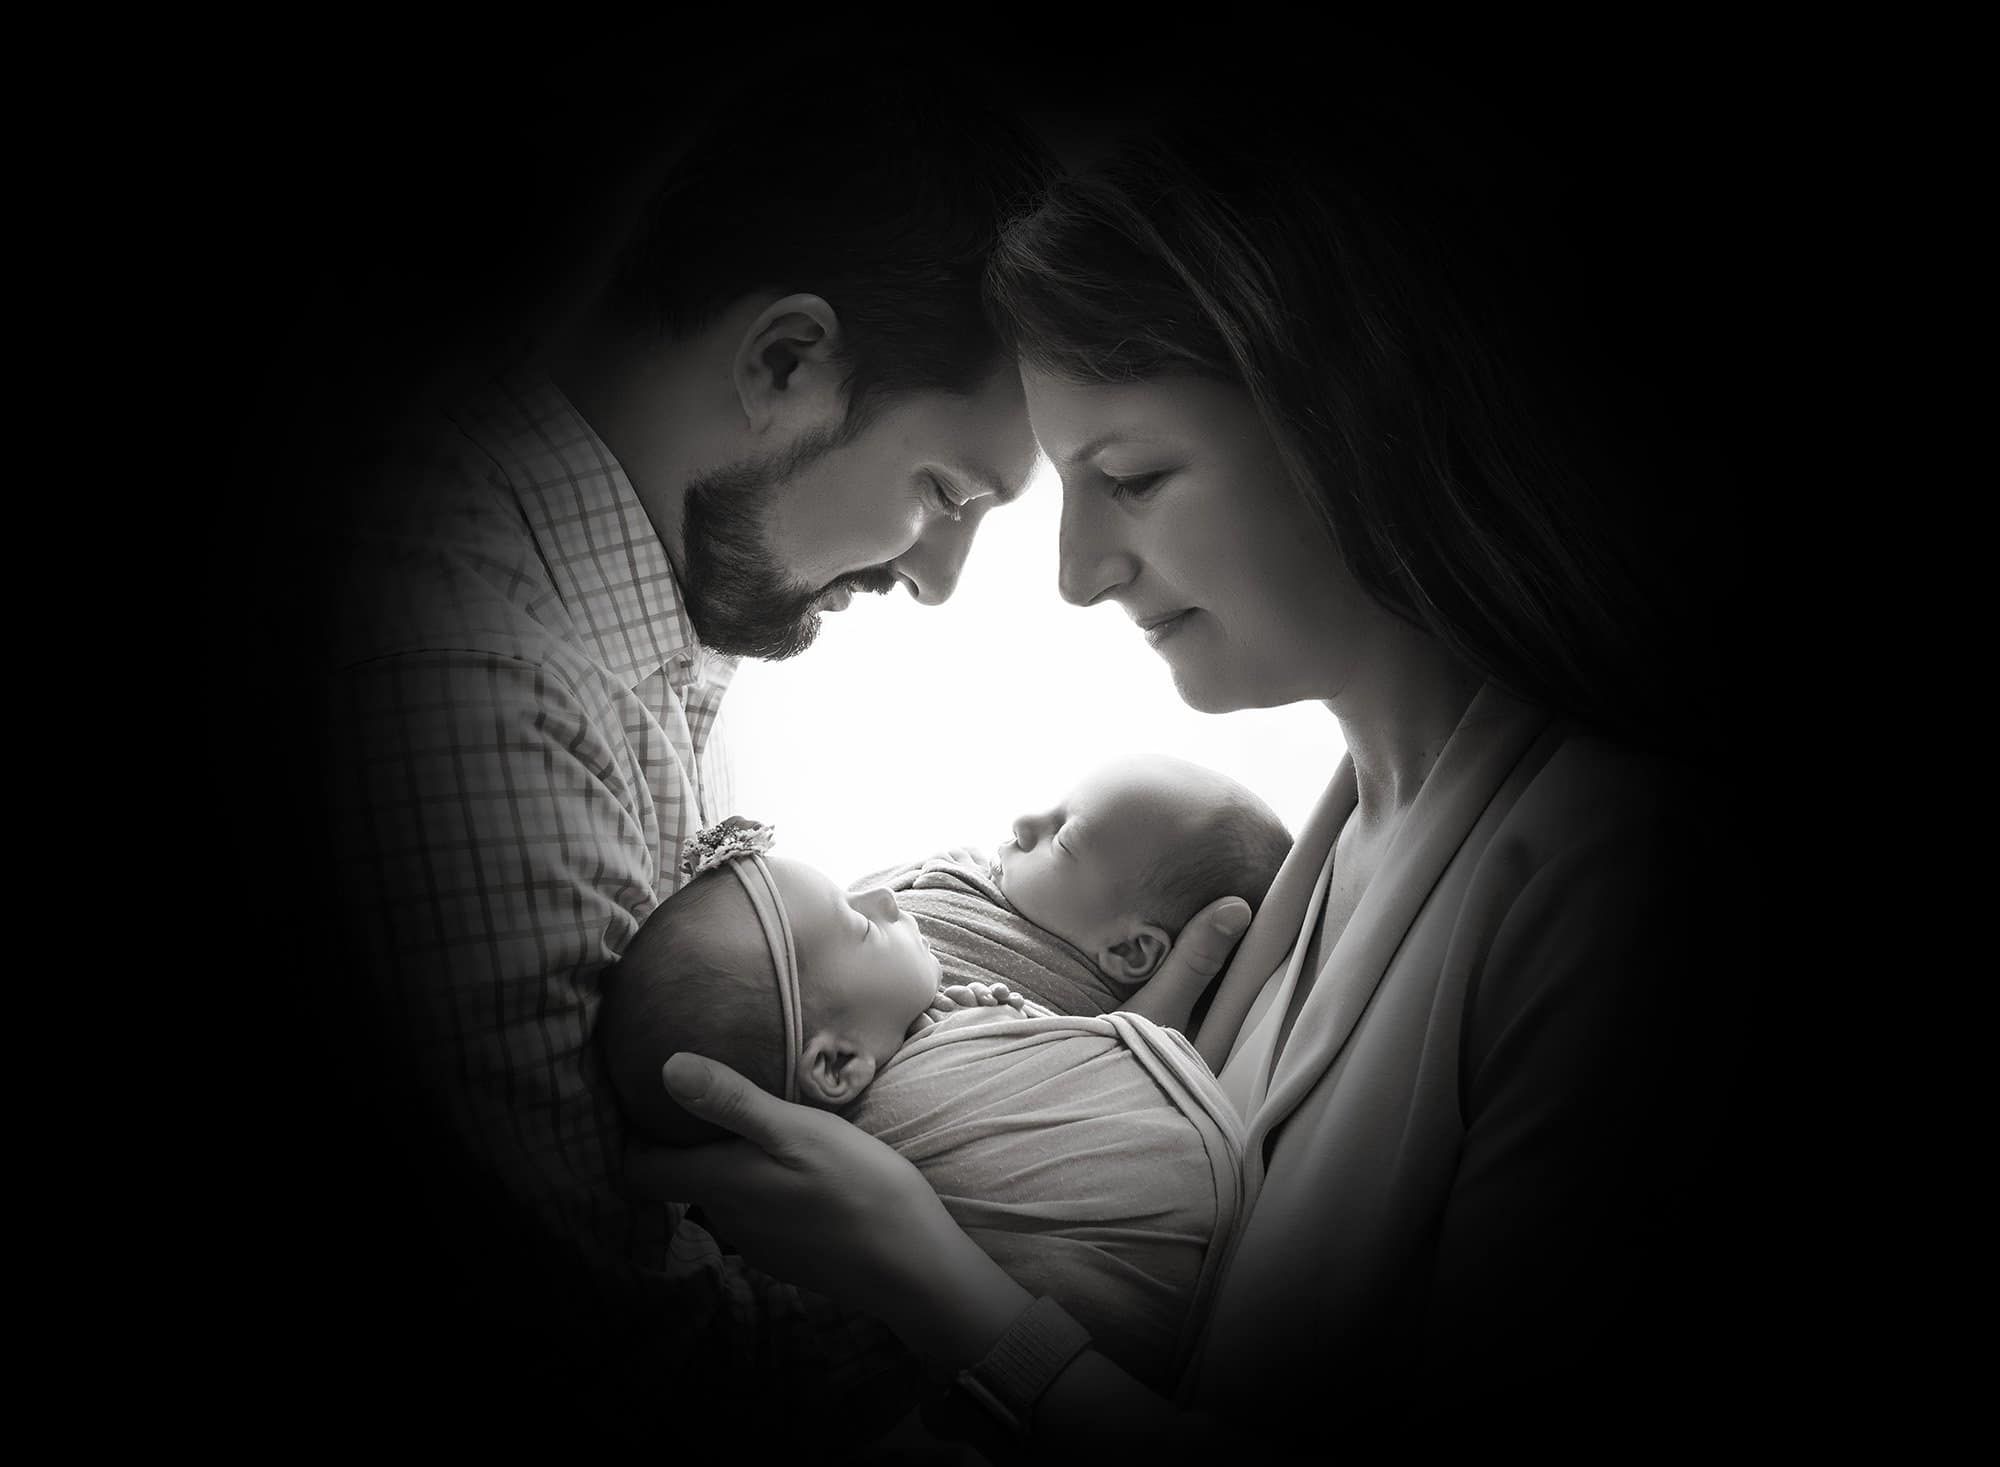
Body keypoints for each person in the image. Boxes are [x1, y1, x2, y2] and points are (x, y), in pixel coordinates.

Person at [629, 88, 1761, 1456]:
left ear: (1359, 429)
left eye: (1139, 478)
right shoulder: (1331, 846)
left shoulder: (1619, 885)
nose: (1077, 571)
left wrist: (937, 1285)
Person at [306, 78, 1258, 1447]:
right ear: (783, 362)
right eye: (947, 494)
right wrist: (1038, 1230)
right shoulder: (477, 684)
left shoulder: (625, 622)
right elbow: (625, 1362)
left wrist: (1047, 1050)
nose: (939, 580)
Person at [598, 813, 1257, 1391]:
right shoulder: (879, 1149)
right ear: (835, 1063)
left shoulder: (925, 1023)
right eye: (858, 923)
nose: (885, 893)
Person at [852, 754, 1292, 1020]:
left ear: (1129, 951)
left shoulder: (1096, 1029)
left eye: (1061, 838)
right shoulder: (958, 872)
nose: (1024, 824)